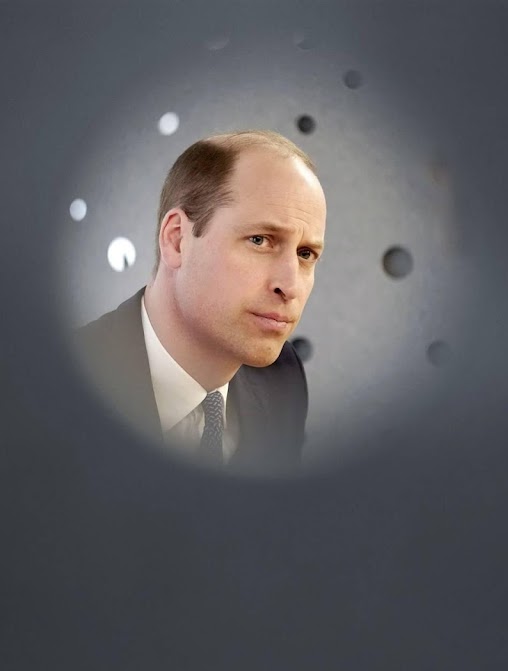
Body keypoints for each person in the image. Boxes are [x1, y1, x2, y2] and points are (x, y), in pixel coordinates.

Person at [74, 130, 327, 473]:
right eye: (259, 240)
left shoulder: (282, 378)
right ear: (177, 240)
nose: (290, 286)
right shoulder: (58, 387)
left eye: (305, 253)